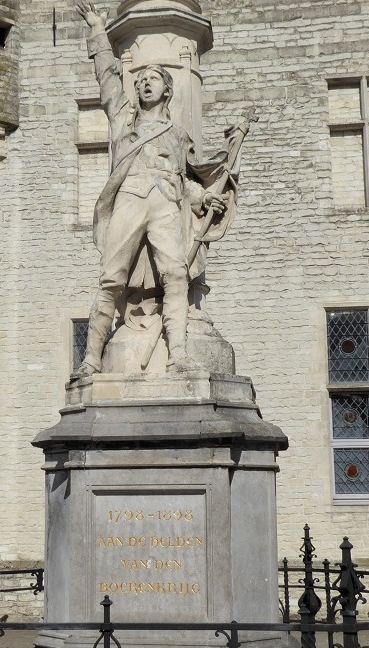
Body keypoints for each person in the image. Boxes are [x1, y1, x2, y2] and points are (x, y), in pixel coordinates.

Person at [74, 2, 229, 376]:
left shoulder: (177, 134)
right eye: (141, 79)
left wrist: (203, 196)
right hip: (129, 198)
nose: (144, 82)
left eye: (154, 79)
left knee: (176, 274)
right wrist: (98, 31)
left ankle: (178, 353)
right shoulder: (123, 119)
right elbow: (109, 78)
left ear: (167, 90)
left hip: (165, 203)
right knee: (112, 278)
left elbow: (183, 177)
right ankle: (92, 359)